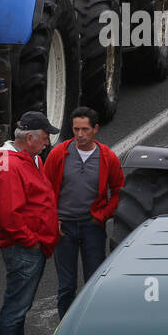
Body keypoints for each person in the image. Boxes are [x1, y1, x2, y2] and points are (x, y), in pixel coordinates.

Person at [0, 110, 60, 335]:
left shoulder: (26, 158)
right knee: (16, 307)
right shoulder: (12, 165)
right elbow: (10, 213)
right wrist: (32, 240)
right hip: (24, 247)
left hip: (30, 244)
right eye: (44, 137)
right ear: (29, 138)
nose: (47, 142)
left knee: (21, 304)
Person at [43, 106, 124, 319]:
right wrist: (53, 218)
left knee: (94, 282)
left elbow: (119, 191)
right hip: (64, 229)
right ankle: (65, 329)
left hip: (92, 227)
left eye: (85, 129)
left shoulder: (107, 157)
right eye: (76, 129)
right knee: (66, 286)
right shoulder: (58, 154)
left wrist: (102, 216)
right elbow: (45, 190)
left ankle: (92, 325)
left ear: (95, 129)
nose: (79, 134)